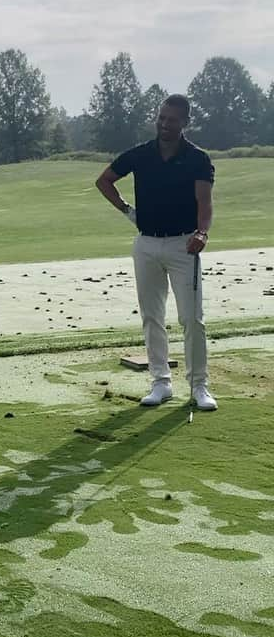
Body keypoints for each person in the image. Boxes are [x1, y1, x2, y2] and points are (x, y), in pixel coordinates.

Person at [95, 94, 217, 411]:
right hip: (146, 243)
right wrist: (127, 210)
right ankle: (161, 382)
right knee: (152, 317)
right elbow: (104, 180)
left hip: (184, 244)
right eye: (161, 118)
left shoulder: (197, 158)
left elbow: (204, 202)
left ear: (185, 123)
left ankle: (199, 386)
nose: (164, 124)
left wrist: (202, 233)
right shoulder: (141, 154)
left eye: (172, 120)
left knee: (192, 319)